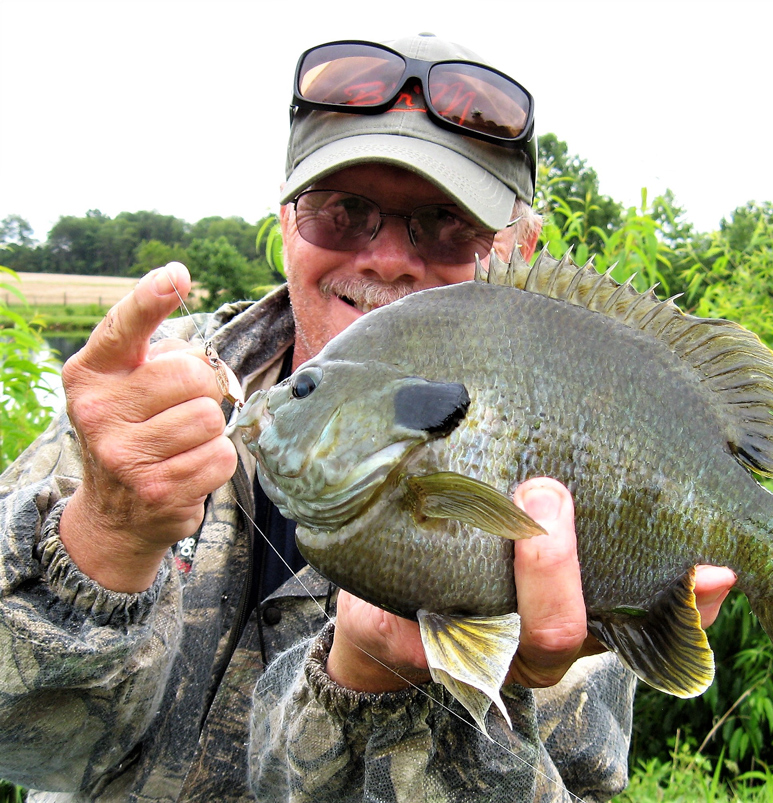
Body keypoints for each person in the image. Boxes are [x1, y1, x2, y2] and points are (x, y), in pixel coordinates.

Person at [0, 34, 735, 801]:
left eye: (448, 223)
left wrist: (394, 690)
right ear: (288, 220)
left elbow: (573, 787)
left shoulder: (581, 439)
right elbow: (19, 738)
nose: (386, 258)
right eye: (344, 212)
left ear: (521, 249)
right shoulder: (142, 404)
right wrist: (104, 536)